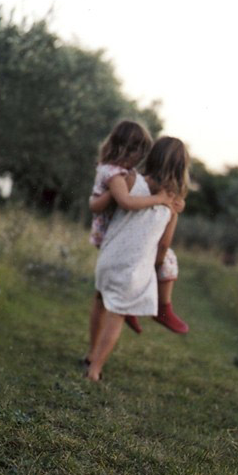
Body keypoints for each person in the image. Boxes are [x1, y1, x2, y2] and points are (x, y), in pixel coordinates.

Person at [86, 136, 190, 382]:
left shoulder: (128, 180)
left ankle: (90, 354)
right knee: (117, 315)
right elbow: (164, 244)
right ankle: (95, 369)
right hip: (132, 269)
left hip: (108, 259)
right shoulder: (172, 203)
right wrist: (156, 264)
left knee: (100, 301)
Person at [86, 120, 174, 340]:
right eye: (139, 154)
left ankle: (133, 307)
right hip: (110, 233)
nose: (140, 160)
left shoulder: (115, 170)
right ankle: (140, 307)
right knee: (157, 260)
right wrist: (159, 199)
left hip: (110, 232)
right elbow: (125, 202)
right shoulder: (115, 174)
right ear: (128, 150)